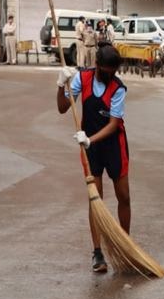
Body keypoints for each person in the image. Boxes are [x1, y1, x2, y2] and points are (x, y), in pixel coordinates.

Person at [56, 43, 130, 273]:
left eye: (112, 73)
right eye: (105, 73)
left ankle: (125, 245)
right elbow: (62, 108)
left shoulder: (118, 88)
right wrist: (61, 85)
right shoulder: (83, 78)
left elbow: (114, 124)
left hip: (113, 145)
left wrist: (89, 139)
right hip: (91, 149)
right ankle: (98, 253)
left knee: (124, 196)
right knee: (95, 199)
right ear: (96, 65)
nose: (109, 77)